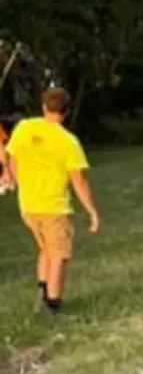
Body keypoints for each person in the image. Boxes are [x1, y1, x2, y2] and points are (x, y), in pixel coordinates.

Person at [7, 87, 100, 314]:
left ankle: (42, 291)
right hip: (54, 207)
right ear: (66, 111)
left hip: (28, 206)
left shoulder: (24, 128)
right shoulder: (68, 141)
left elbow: (13, 159)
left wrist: (18, 183)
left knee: (46, 249)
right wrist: (92, 212)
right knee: (59, 255)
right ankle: (53, 304)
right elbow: (78, 181)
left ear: (43, 107)